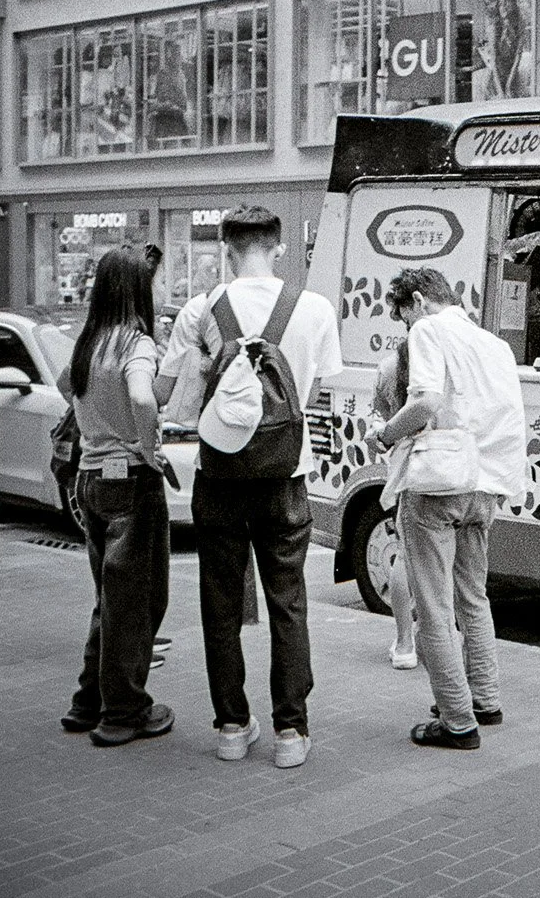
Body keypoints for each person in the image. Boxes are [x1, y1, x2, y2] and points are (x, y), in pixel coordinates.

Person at [157, 207, 342, 768]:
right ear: (279, 247)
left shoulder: (201, 308)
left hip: (219, 476)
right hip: (285, 476)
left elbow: (168, 393)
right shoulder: (314, 308)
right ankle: (291, 731)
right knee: (287, 603)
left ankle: (232, 727)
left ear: (225, 248)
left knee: (220, 603)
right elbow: (320, 392)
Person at [375, 267, 527, 751]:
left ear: (417, 300)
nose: (405, 327)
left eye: (402, 315)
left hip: (440, 484)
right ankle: (485, 698)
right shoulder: (495, 345)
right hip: (488, 484)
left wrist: (384, 434)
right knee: (473, 597)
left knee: (435, 607)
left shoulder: (427, 329)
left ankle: (457, 720)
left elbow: (425, 401)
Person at [56, 247, 175, 748]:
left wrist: (97, 423)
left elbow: (66, 386)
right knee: (140, 600)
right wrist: (146, 446)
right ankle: (123, 711)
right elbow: (145, 398)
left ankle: (88, 702)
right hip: (130, 481)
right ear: (139, 292)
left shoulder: (90, 341)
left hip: (90, 481)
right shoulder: (135, 343)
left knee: (110, 598)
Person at [372, 340, 418, 670]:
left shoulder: (389, 366)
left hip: (405, 467)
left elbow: (386, 414)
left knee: (405, 554)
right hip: (447, 469)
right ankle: (437, 635)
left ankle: (405, 643)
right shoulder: (448, 356)